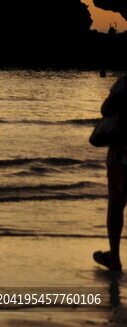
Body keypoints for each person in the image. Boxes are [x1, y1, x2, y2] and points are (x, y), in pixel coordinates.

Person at [96, 73, 127, 272]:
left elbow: (106, 109)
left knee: (116, 205)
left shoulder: (125, 82)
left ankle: (114, 257)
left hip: (122, 156)